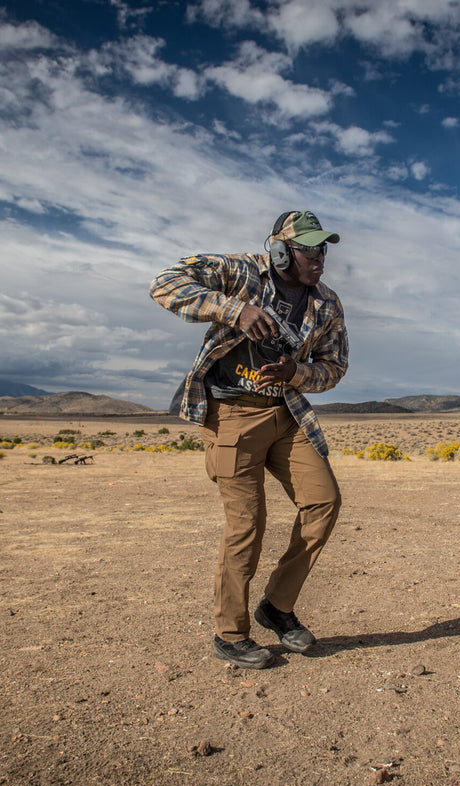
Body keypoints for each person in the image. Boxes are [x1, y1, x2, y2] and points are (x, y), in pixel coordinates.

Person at [149, 210, 349, 669]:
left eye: (323, 248)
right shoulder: (239, 273)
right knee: (247, 524)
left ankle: (276, 608)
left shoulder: (327, 302)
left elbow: (335, 367)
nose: (319, 257)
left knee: (323, 502)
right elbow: (165, 282)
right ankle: (230, 633)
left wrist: (296, 372)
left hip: (286, 412)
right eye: (309, 249)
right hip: (231, 416)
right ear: (280, 251)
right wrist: (234, 309)